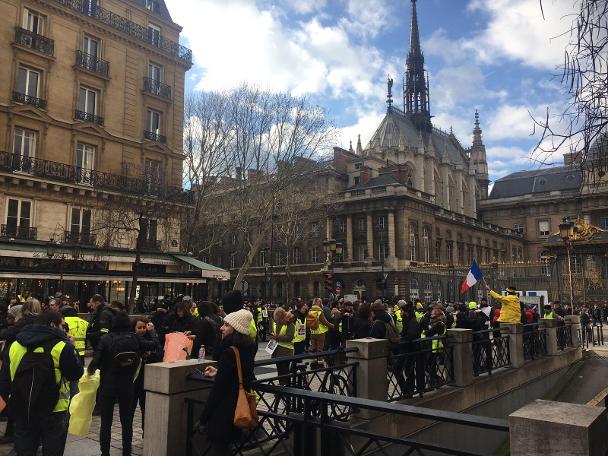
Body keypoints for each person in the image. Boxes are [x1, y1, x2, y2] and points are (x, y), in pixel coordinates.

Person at [0, 311, 83, 456]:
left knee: (24, 450)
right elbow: (75, 374)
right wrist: (72, 348)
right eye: (62, 325)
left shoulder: (14, 346)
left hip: (22, 407)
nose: (65, 329)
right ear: (53, 325)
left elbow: (5, 382)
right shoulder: (62, 347)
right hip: (55, 409)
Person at [88, 311, 156, 456]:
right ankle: (126, 451)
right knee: (126, 420)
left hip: (108, 384)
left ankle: (105, 452)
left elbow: (95, 361)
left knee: (106, 422)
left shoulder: (106, 339)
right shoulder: (134, 339)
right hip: (127, 384)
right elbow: (153, 345)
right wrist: (152, 331)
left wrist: (90, 372)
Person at [199, 309, 256, 456]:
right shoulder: (247, 348)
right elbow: (242, 375)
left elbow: (218, 390)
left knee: (220, 450)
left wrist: (204, 417)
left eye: (226, 325)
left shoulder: (229, 352)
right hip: (239, 409)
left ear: (235, 329)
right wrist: (220, 371)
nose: (221, 328)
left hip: (224, 412)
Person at [131, 317, 163, 435]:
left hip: (147, 380)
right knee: (130, 409)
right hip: (133, 381)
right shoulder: (131, 339)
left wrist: (152, 332)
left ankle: (147, 433)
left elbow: (159, 353)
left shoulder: (151, 337)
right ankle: (127, 435)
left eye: (144, 327)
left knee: (146, 408)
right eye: (139, 327)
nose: (142, 330)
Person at [271, 307, 295, 381]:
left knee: (285, 371)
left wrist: (277, 337)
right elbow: (274, 334)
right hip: (276, 351)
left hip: (286, 351)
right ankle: (281, 385)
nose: (277, 321)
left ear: (282, 317)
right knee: (279, 371)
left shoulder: (290, 324)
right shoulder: (276, 323)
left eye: (278, 319)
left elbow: (290, 337)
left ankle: (286, 386)